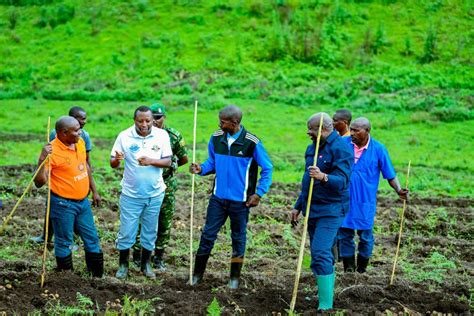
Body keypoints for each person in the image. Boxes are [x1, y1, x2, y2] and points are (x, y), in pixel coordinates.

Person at [189, 105, 273, 289]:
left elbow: (267, 168)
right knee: (207, 235)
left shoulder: (252, 143)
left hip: (240, 202)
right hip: (218, 198)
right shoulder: (216, 138)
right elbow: (212, 161)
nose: (219, 124)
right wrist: (201, 168)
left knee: (238, 237)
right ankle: (197, 275)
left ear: (234, 123)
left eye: (223, 121)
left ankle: (234, 279)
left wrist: (258, 193)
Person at [291, 112, 353, 311]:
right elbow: (308, 180)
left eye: (311, 130)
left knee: (319, 252)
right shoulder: (312, 148)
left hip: (332, 209)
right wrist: (298, 206)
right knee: (319, 255)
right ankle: (324, 294)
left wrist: (324, 176)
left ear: (322, 129)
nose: (308, 133)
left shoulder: (342, 148)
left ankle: (326, 306)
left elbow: (342, 181)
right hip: (313, 207)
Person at [33, 116, 103, 277]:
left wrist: (94, 190)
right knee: (64, 242)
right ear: (63, 133)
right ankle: (66, 278)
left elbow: (85, 166)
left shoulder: (79, 142)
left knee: (92, 238)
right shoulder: (52, 151)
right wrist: (42, 158)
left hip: (83, 203)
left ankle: (97, 277)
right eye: (76, 130)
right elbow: (39, 182)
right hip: (62, 204)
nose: (80, 133)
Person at [338, 117, 409, 273]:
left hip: (365, 201)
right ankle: (349, 271)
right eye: (351, 129)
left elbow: (390, 175)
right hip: (343, 199)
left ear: (367, 131)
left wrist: (398, 190)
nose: (352, 133)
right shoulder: (343, 144)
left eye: (356, 130)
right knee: (344, 235)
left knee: (365, 237)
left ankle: (361, 270)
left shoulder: (378, 149)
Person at [110, 106, 172, 279]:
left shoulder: (162, 136)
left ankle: (146, 265)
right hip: (131, 194)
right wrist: (116, 159)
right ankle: (123, 265)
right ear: (134, 120)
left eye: (148, 120)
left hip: (155, 193)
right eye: (140, 121)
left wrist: (151, 161)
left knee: (150, 231)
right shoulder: (124, 136)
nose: (144, 124)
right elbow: (112, 162)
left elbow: (168, 161)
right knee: (127, 231)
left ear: (153, 120)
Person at [131, 103, 189, 271]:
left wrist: (169, 166)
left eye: (158, 118)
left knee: (164, 221)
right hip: (145, 184)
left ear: (164, 117)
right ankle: (137, 255)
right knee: (141, 219)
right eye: (152, 118)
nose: (154, 121)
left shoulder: (172, 136)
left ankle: (159, 258)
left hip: (166, 184)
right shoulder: (141, 136)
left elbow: (183, 158)